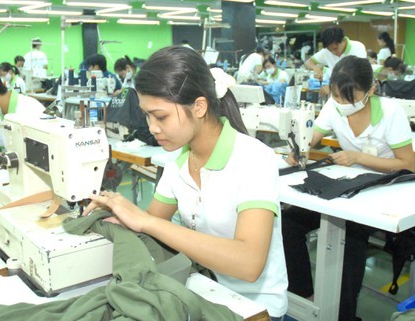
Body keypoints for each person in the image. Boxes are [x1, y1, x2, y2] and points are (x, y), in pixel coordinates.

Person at [83, 45, 288, 320]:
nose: (152, 127)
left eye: (161, 116)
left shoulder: (254, 159)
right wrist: (122, 215)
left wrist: (147, 222)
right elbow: (151, 228)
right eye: (147, 115)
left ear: (199, 107)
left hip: (254, 307)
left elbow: (249, 263)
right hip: (202, 289)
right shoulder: (178, 163)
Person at [283, 56, 415, 321]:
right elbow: (312, 137)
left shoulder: (390, 113)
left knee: (351, 238)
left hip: (383, 191)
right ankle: (305, 295)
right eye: (335, 95)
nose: (341, 103)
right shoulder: (334, 106)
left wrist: (358, 157)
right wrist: (299, 150)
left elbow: (408, 165)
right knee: (288, 224)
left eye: (348, 97)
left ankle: (344, 315)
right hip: (345, 189)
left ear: (371, 90)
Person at [305, 26, 367, 96]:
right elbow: (309, 62)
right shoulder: (327, 52)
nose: (333, 52)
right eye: (330, 50)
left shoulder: (357, 48)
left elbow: (356, 76)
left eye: (335, 49)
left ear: (343, 40)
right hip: (338, 94)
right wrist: (315, 68)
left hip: (356, 92)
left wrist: (332, 87)